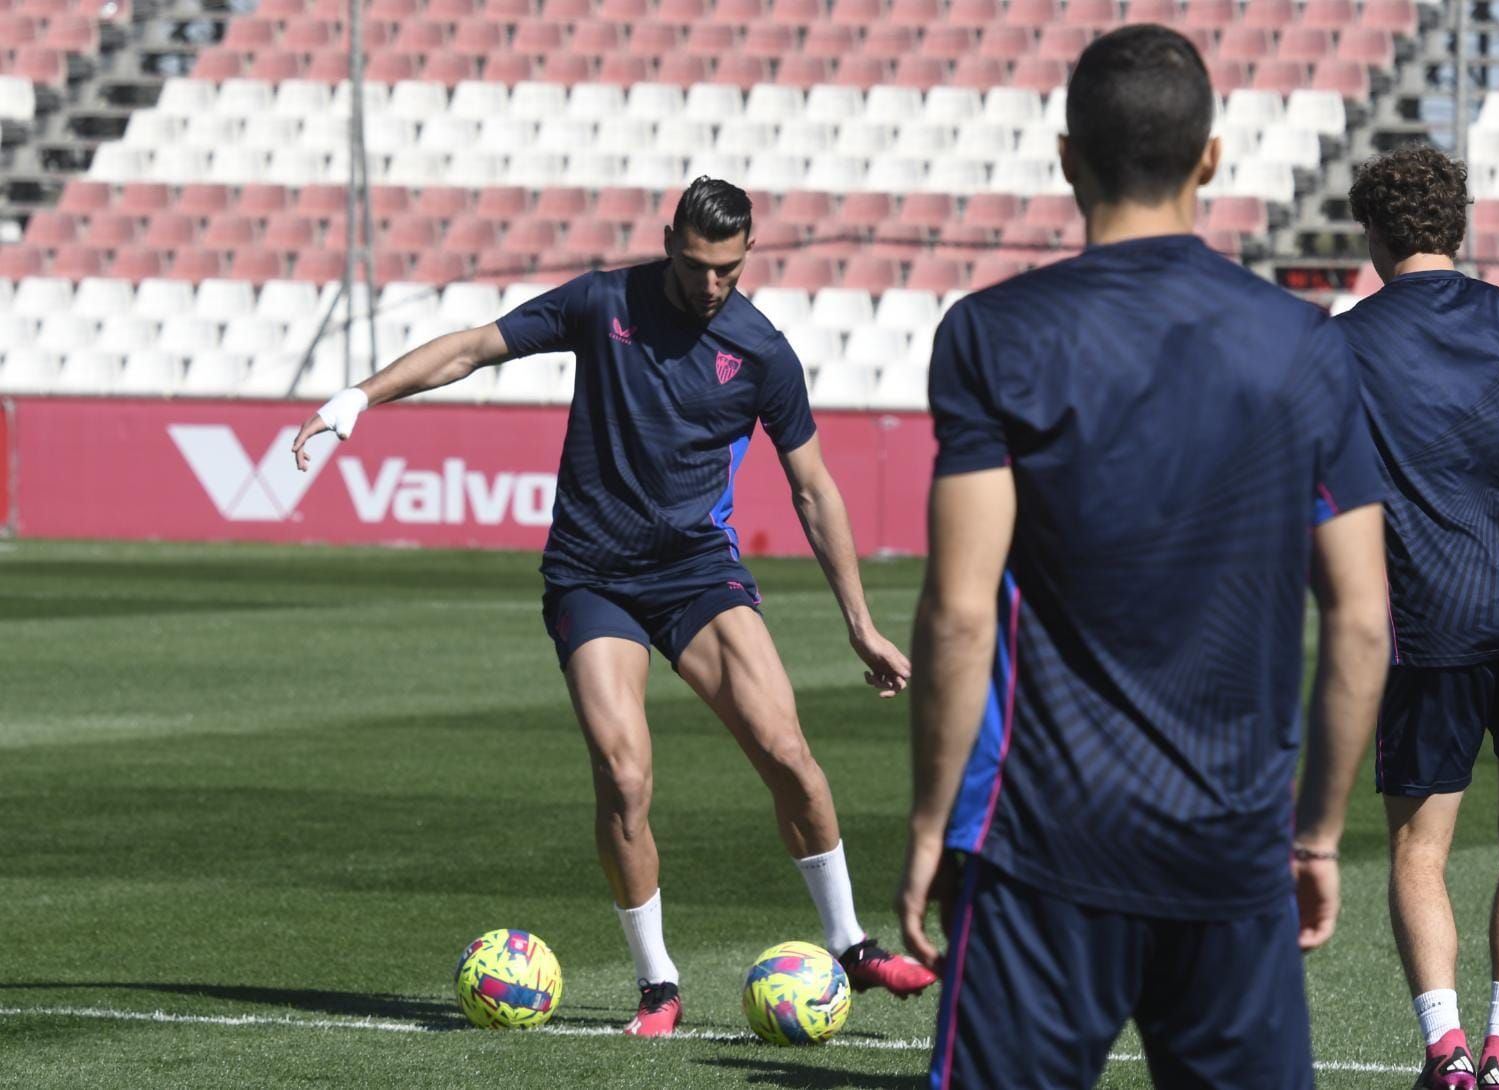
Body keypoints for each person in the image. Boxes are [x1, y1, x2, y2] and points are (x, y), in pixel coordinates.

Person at [290, 176, 937, 1037]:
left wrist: (860, 624)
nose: (713, 286)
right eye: (700, 265)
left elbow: (813, 490)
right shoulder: (603, 302)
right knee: (625, 775)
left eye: (730, 271)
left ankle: (850, 944)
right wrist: (358, 399)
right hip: (593, 578)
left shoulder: (763, 352)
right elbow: (476, 347)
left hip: (699, 573)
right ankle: (658, 985)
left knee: (788, 753)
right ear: (671, 239)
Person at [894, 25, 1393, 1089]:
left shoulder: (992, 334)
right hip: (1229, 849)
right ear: (1209, 158)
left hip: (1041, 847)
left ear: (1066, 154)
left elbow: (958, 613)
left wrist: (933, 820)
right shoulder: (1303, 344)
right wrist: (1314, 836)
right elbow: (1360, 619)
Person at [1335, 144, 1499, 1090]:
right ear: (1460, 227)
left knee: (1420, 842)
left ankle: (1446, 1054)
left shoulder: (1344, 342)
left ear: (1372, 235)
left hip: (1431, 617)